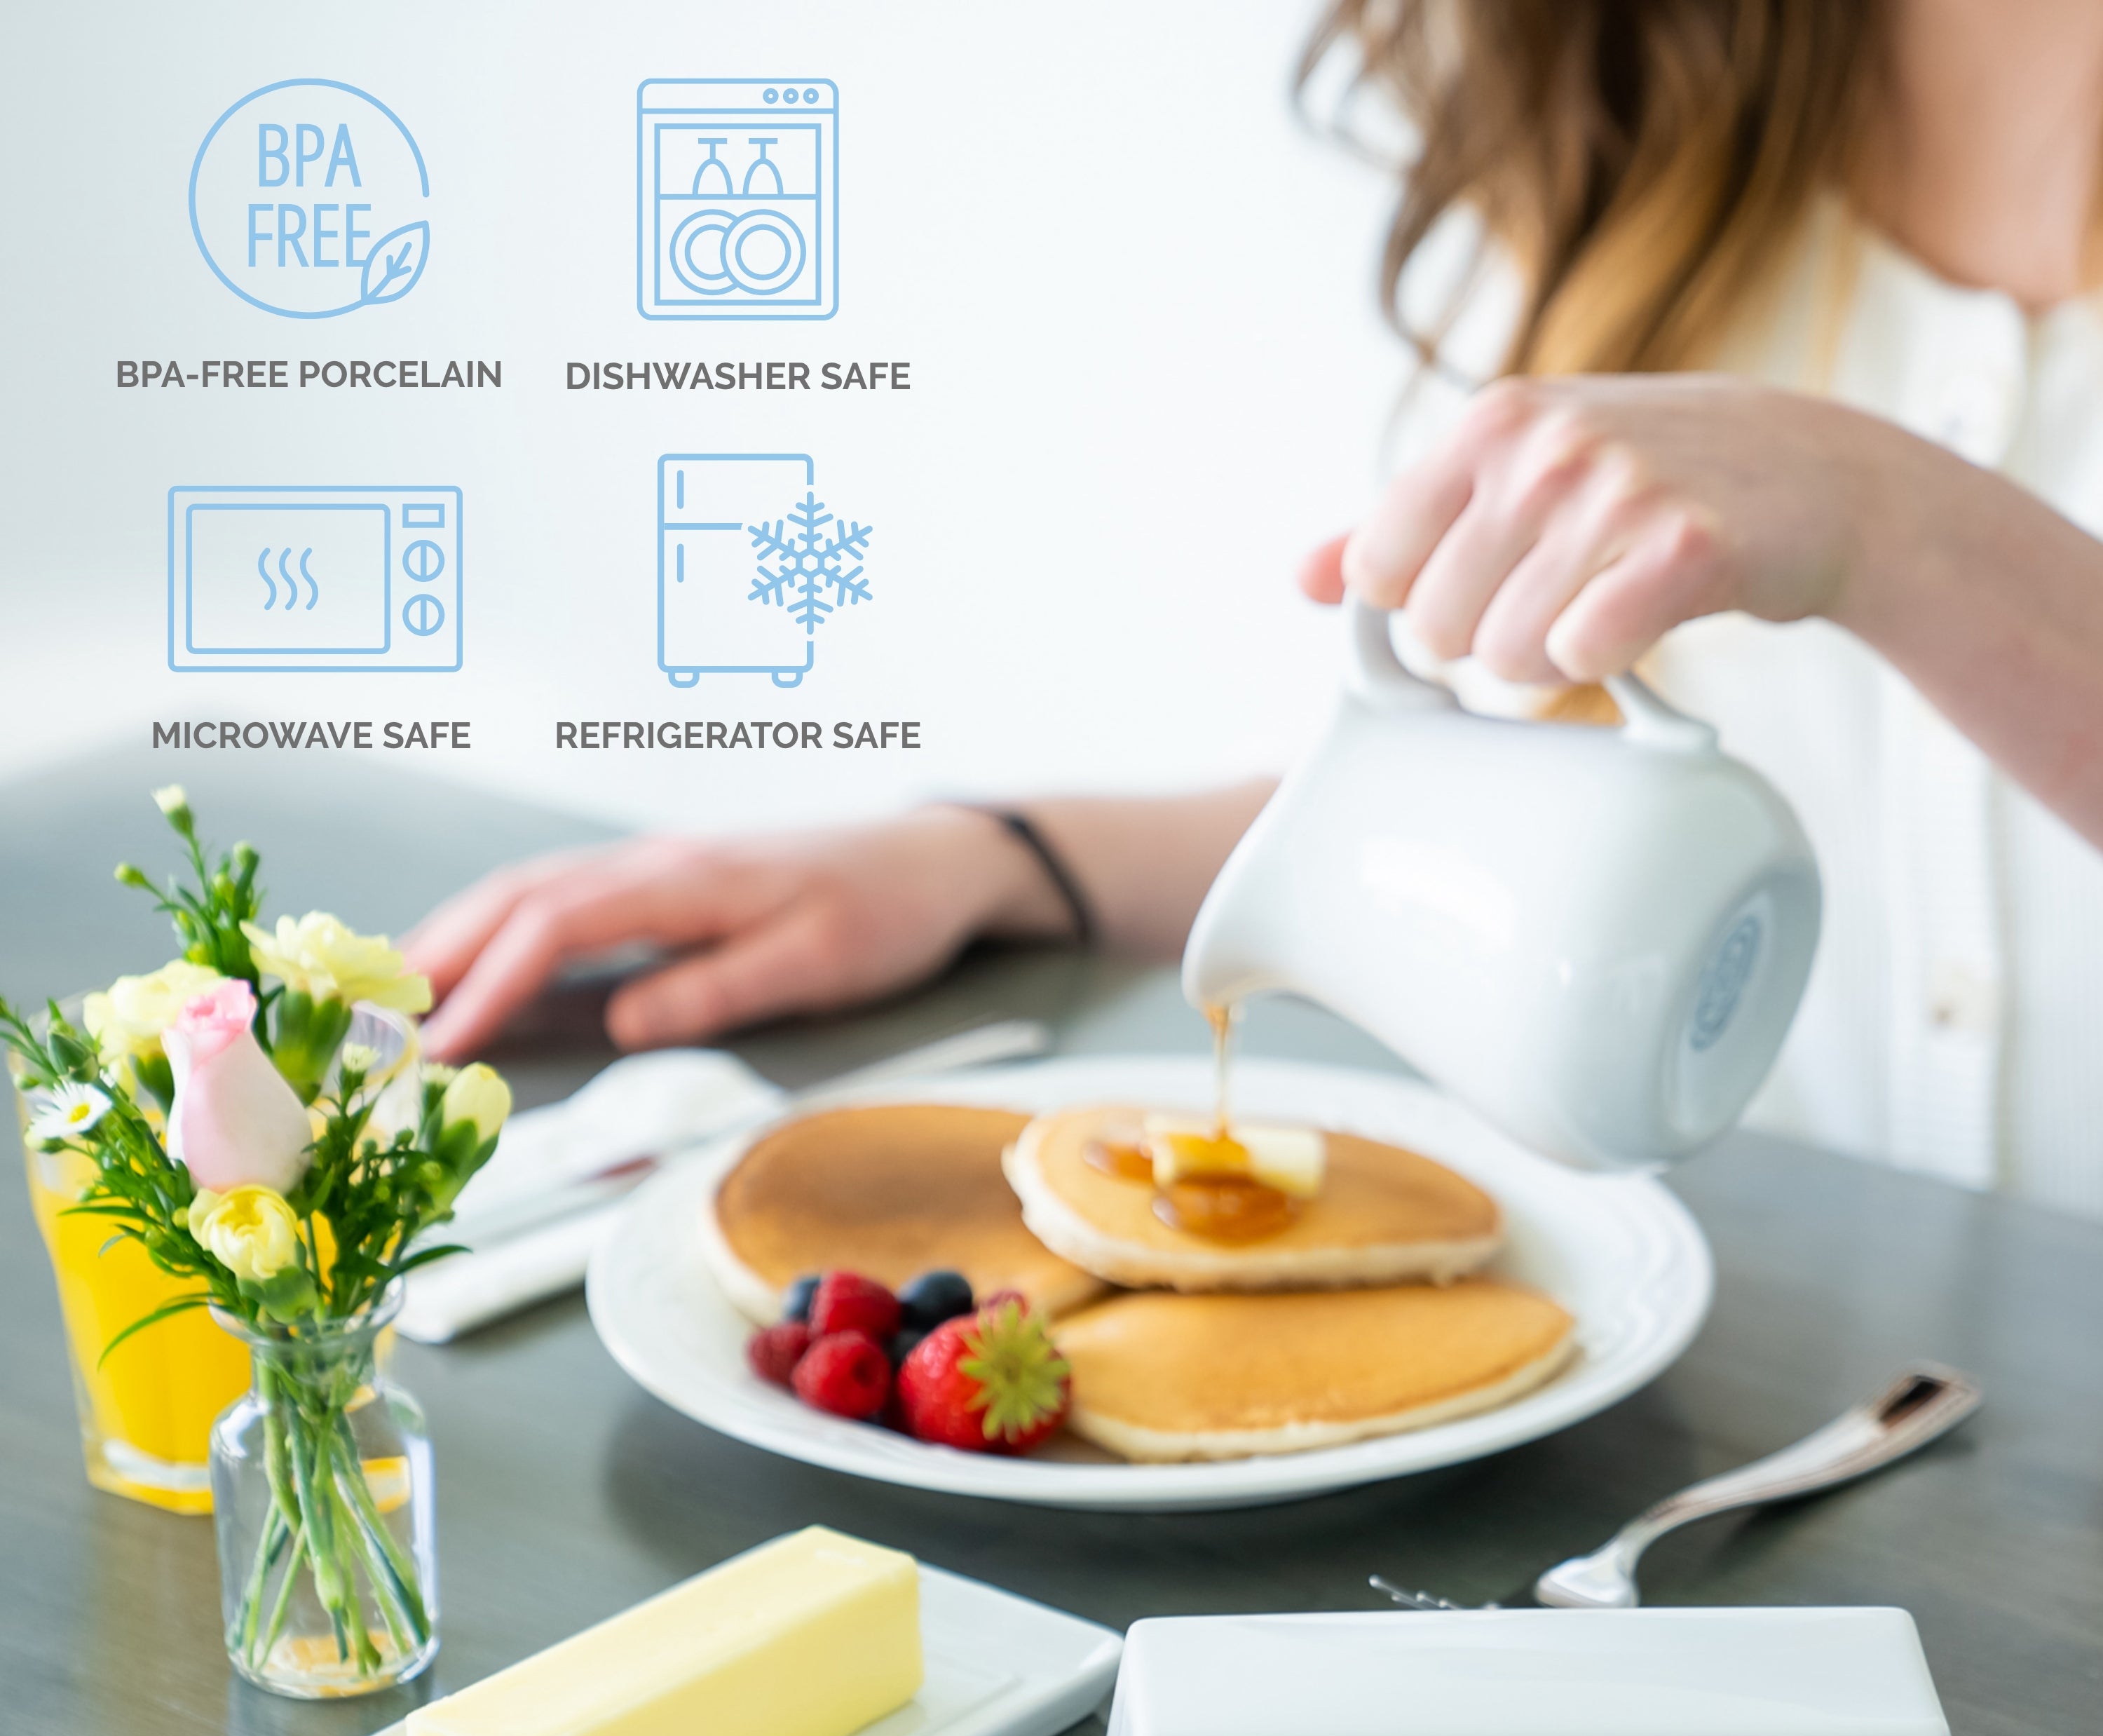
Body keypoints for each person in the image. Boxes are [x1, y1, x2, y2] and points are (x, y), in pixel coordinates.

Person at [407, 0, 2103, 1217]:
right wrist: (1000, 859)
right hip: (1789, 1409)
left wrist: (1905, 529)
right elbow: (1472, 807)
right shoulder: (1648, 112)